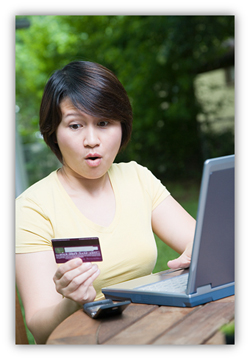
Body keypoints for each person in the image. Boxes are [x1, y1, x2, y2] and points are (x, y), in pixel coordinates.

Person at [15, 61, 196, 344]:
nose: (91, 140)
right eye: (75, 125)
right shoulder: (31, 207)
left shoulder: (137, 177)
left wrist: (199, 252)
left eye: (104, 123)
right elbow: (40, 328)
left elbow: (202, 244)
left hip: (150, 333)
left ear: (122, 126)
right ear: (53, 132)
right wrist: (71, 301)